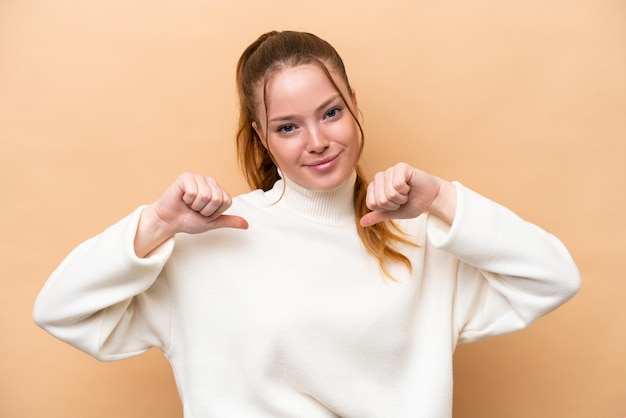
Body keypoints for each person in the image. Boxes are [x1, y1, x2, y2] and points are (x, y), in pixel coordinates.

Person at [33, 30, 580, 418]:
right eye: (288, 126)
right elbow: (59, 311)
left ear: (353, 104)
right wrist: (155, 225)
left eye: (331, 112)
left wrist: (440, 199)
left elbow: (555, 276)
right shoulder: (212, 240)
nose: (316, 141)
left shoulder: (420, 237)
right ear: (262, 135)